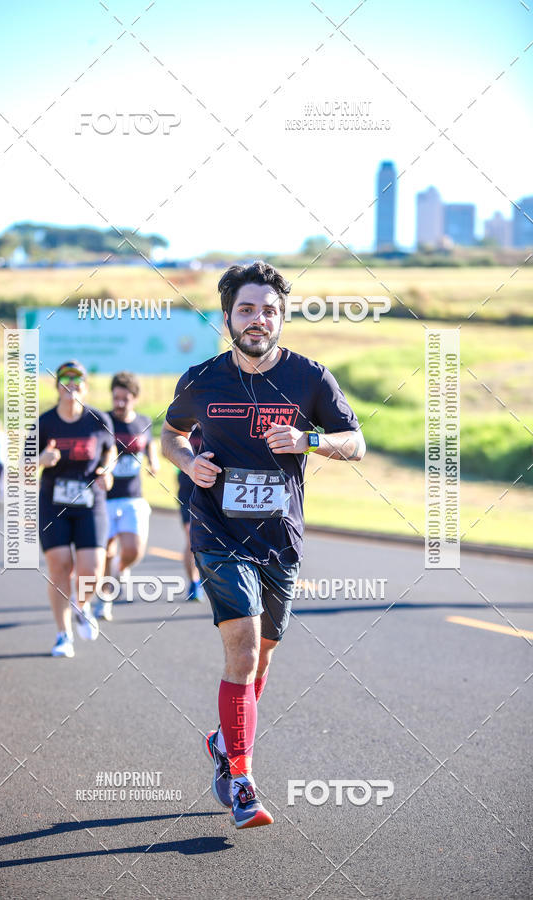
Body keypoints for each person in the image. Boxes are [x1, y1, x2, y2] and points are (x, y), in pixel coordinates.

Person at [161, 261, 365, 829]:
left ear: (282, 317)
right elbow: (170, 435)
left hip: (281, 538)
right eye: (247, 309)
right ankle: (242, 779)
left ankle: (225, 740)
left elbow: (358, 443)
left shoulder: (310, 378)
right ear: (227, 316)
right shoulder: (201, 379)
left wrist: (310, 439)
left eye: (269, 310)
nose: (259, 319)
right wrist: (187, 460)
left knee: (263, 657)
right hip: (218, 531)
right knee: (244, 646)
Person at [38, 360, 116, 658]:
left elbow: (110, 451)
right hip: (53, 502)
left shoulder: (99, 419)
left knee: (92, 570)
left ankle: (80, 606)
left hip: (90, 502)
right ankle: (63, 634)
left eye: (78, 379)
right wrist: (41, 460)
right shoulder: (44, 423)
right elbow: (21, 466)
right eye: (65, 379)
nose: (72, 384)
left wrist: (106, 470)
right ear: (56, 385)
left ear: (85, 385)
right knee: (59, 565)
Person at [95, 371, 159, 620]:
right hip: (106, 497)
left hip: (133, 496)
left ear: (135, 398)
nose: (119, 403)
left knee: (133, 550)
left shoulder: (143, 421)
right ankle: (105, 600)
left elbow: (150, 444)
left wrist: (154, 462)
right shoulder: (104, 421)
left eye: (125, 398)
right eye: (116, 398)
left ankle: (120, 569)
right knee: (105, 552)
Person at [176, 423, 205, 602]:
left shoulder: (221, 421)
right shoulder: (185, 422)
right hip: (188, 490)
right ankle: (194, 582)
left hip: (214, 488)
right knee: (191, 535)